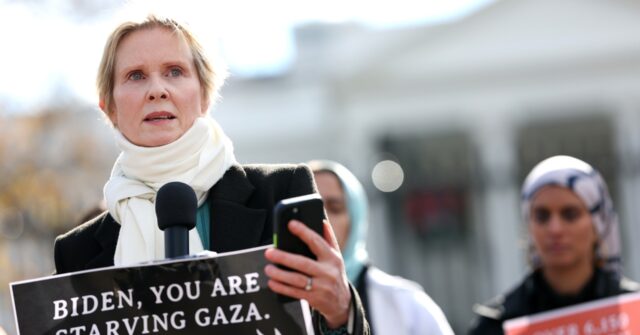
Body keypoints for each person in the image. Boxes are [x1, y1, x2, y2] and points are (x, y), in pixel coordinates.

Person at [53, 15, 369, 334]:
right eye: (135, 76)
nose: (157, 90)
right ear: (109, 107)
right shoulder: (77, 251)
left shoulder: (281, 193)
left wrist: (340, 312)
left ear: (204, 93)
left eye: (174, 71)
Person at [468, 155, 639, 334]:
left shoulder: (634, 312)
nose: (555, 229)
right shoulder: (496, 325)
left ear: (598, 224)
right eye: (542, 216)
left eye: (570, 214)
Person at [308, 160, 454, 335]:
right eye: (311, 209)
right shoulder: (271, 306)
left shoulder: (405, 305)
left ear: (356, 217)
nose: (323, 219)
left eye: (335, 208)